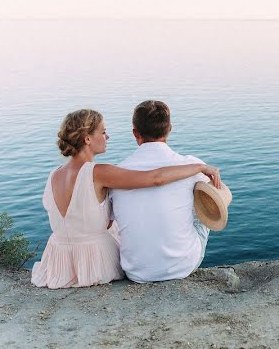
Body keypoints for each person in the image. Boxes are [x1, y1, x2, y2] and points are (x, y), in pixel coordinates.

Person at [31, 108, 221, 289]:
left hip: (58, 262)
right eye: (103, 132)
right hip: (94, 263)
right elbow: (154, 179)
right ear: (87, 138)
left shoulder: (54, 175)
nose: (107, 137)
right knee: (198, 209)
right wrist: (198, 167)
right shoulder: (99, 172)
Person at [110, 100, 222, 282]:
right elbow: (216, 198)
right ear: (169, 129)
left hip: (136, 271)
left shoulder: (118, 173)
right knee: (204, 203)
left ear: (135, 133)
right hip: (183, 266)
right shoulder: (191, 164)